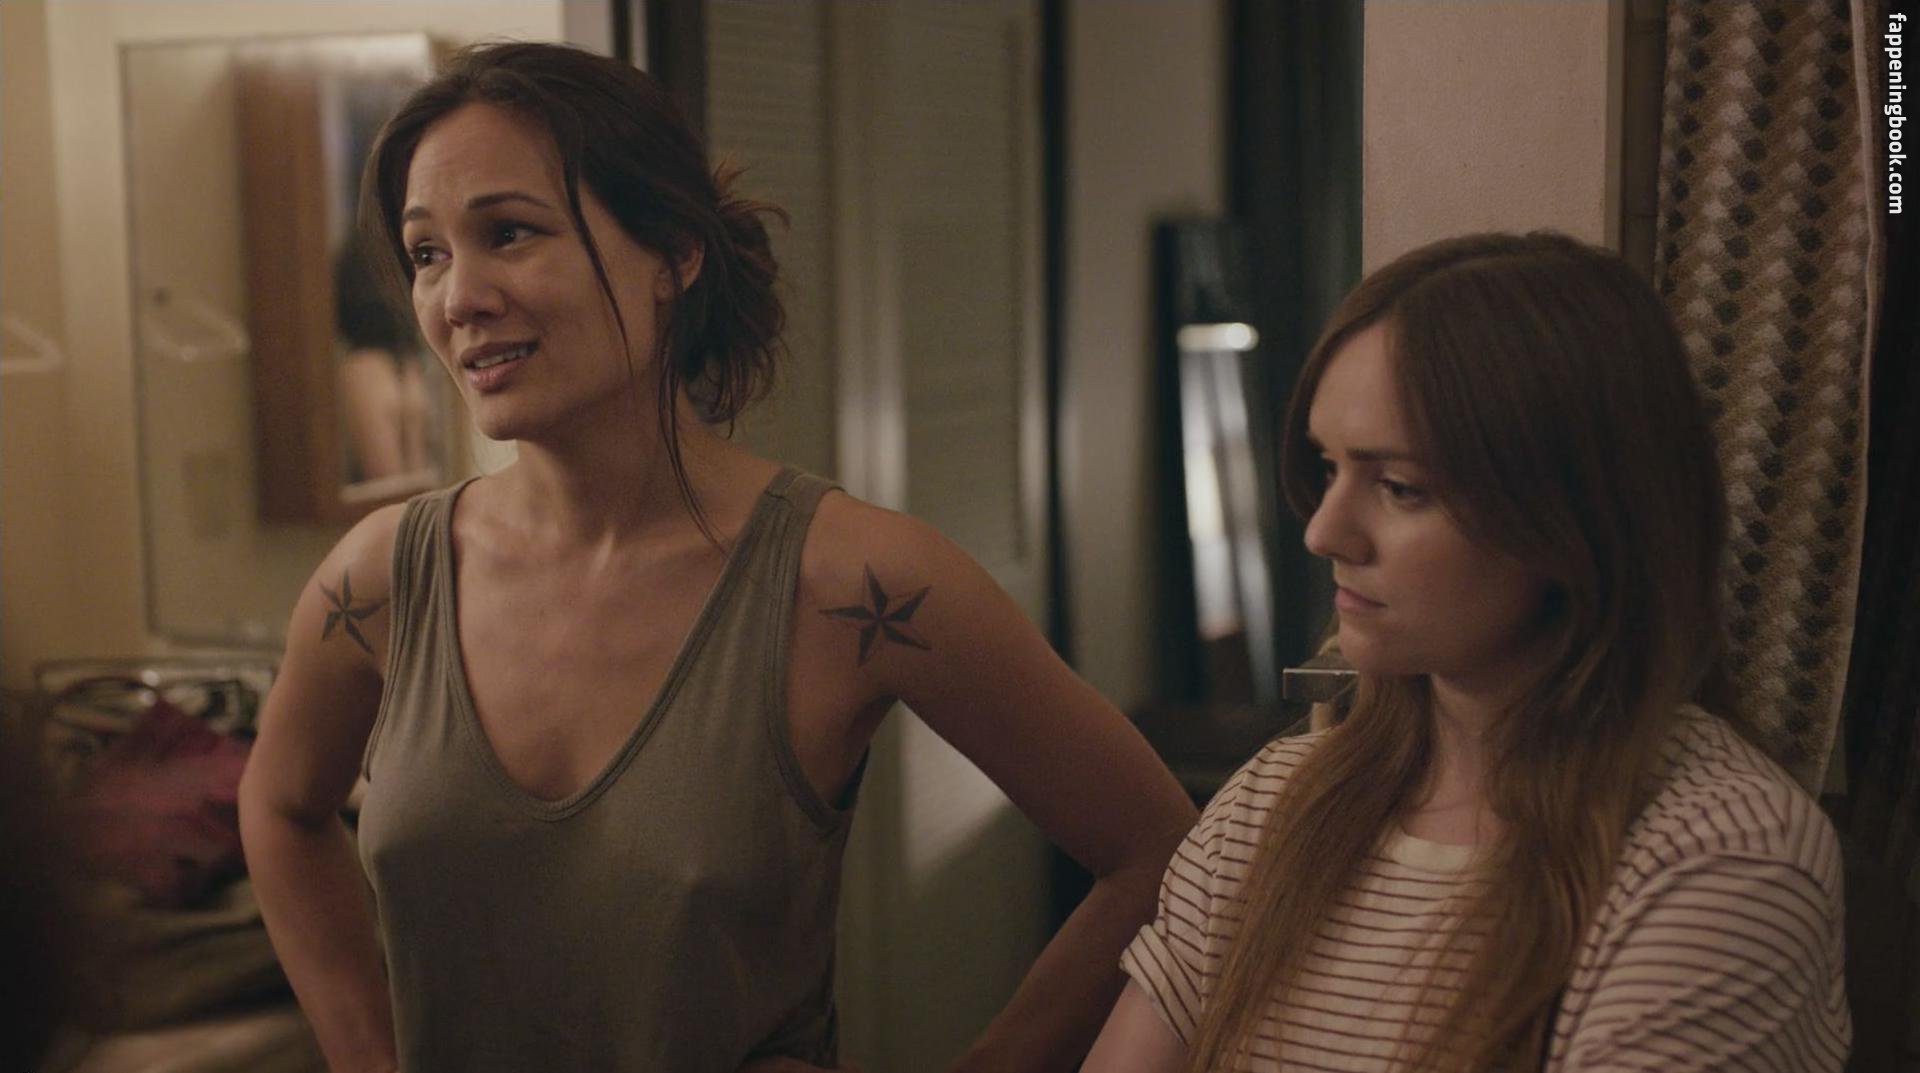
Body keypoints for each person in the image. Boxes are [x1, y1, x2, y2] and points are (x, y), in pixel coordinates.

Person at [237, 41, 1197, 1073]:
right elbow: (280, 807)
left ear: (673, 254)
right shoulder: (382, 579)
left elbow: (1164, 854)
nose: (457, 296)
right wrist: (366, 1053)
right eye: (427, 252)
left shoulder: (854, 582)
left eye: (509, 232)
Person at [1082, 232, 1851, 1073]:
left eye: (1400, 486)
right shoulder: (1273, 806)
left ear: (1573, 514)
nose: (1324, 531)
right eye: (1328, 467)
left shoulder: (1720, 857)